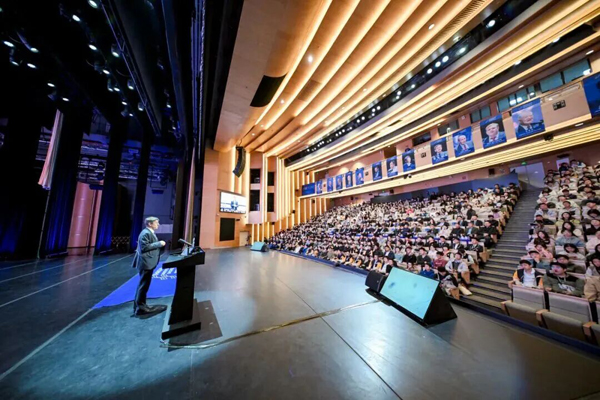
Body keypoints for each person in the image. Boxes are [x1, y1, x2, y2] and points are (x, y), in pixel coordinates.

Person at [132, 216, 167, 317]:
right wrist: (159, 243)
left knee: (143, 285)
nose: (158, 224)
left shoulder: (149, 232)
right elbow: (144, 247)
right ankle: (141, 308)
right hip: (145, 263)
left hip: (147, 262)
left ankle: (139, 306)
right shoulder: (145, 233)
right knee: (143, 285)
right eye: (156, 222)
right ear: (150, 224)